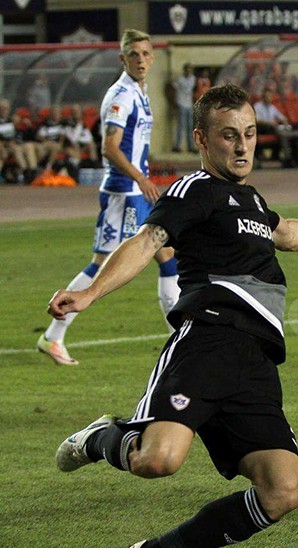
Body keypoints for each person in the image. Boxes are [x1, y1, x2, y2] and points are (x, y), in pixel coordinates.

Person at [48, 83, 298, 548]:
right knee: (157, 461)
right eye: (228, 136)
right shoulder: (194, 190)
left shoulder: (253, 200)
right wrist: (89, 293)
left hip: (256, 360)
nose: (243, 146)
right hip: (207, 341)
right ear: (201, 139)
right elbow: (146, 242)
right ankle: (102, 438)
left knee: (282, 491)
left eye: (250, 134)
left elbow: (286, 233)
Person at [37, 30, 177, 366]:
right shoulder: (121, 95)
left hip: (136, 191)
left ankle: (181, 337)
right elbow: (109, 148)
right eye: (133, 54)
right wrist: (140, 177)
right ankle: (53, 335)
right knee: (103, 264)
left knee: (167, 254)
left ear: (153, 57)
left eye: (145, 53)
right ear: (122, 59)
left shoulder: (140, 92)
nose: (140, 59)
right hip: (123, 192)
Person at [172, 62, 196, 152]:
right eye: (187, 69)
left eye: (190, 69)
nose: (188, 71)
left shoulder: (193, 79)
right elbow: (172, 88)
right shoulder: (180, 79)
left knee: (190, 126)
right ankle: (177, 146)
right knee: (181, 126)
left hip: (189, 105)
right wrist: (174, 101)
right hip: (181, 103)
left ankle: (191, 147)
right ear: (184, 70)